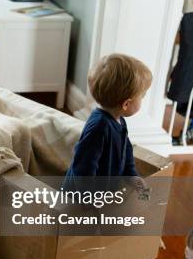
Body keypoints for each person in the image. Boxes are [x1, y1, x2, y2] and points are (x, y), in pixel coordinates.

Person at [64, 54, 152, 186]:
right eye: (142, 96)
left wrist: (132, 175)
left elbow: (126, 151)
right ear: (126, 104)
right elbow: (82, 169)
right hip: (81, 198)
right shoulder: (99, 127)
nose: (143, 98)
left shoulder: (120, 121)